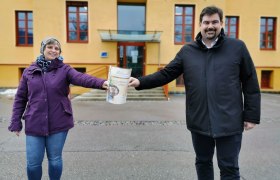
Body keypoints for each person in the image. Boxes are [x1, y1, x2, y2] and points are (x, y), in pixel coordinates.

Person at [128, 6, 260, 180]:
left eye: (214, 22)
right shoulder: (188, 51)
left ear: (222, 23)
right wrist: (140, 81)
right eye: (206, 22)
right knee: (203, 162)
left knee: (229, 168)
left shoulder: (237, 47)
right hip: (199, 121)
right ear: (200, 25)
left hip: (230, 121)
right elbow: (166, 73)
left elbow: (250, 82)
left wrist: (251, 116)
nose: (210, 26)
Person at [8, 37, 108, 180]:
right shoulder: (29, 72)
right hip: (34, 121)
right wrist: (15, 121)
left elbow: (82, 78)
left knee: (55, 161)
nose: (53, 50)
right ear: (43, 49)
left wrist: (102, 83)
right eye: (50, 47)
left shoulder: (64, 70)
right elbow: (20, 99)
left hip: (59, 121)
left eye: (57, 48)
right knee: (33, 164)